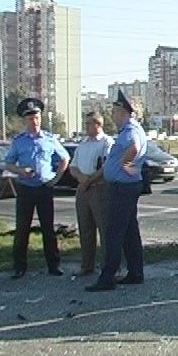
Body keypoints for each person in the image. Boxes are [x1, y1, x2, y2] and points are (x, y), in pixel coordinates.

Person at [86, 90, 147, 292]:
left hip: (123, 188)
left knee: (114, 232)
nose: (112, 115)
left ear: (123, 112)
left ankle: (107, 277)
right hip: (126, 186)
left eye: (114, 111)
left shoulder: (130, 130)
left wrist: (124, 164)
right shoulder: (131, 129)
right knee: (129, 232)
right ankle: (135, 273)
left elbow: (134, 147)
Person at [5, 97, 70, 279]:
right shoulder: (19, 141)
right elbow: (8, 164)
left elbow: (65, 158)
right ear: (25, 120)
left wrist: (56, 178)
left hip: (44, 188)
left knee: (48, 228)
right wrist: (21, 170)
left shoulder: (49, 139)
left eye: (37, 118)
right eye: (30, 118)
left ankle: (54, 265)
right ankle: (19, 267)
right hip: (25, 189)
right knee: (22, 229)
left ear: (41, 118)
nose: (34, 122)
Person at [69, 112, 114, 276]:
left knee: (104, 229)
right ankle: (87, 265)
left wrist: (90, 180)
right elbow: (73, 166)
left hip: (99, 187)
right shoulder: (83, 144)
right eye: (85, 123)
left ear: (98, 124)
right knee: (85, 228)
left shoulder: (106, 143)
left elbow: (106, 166)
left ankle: (109, 267)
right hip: (83, 188)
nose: (86, 127)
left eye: (89, 123)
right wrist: (81, 179)